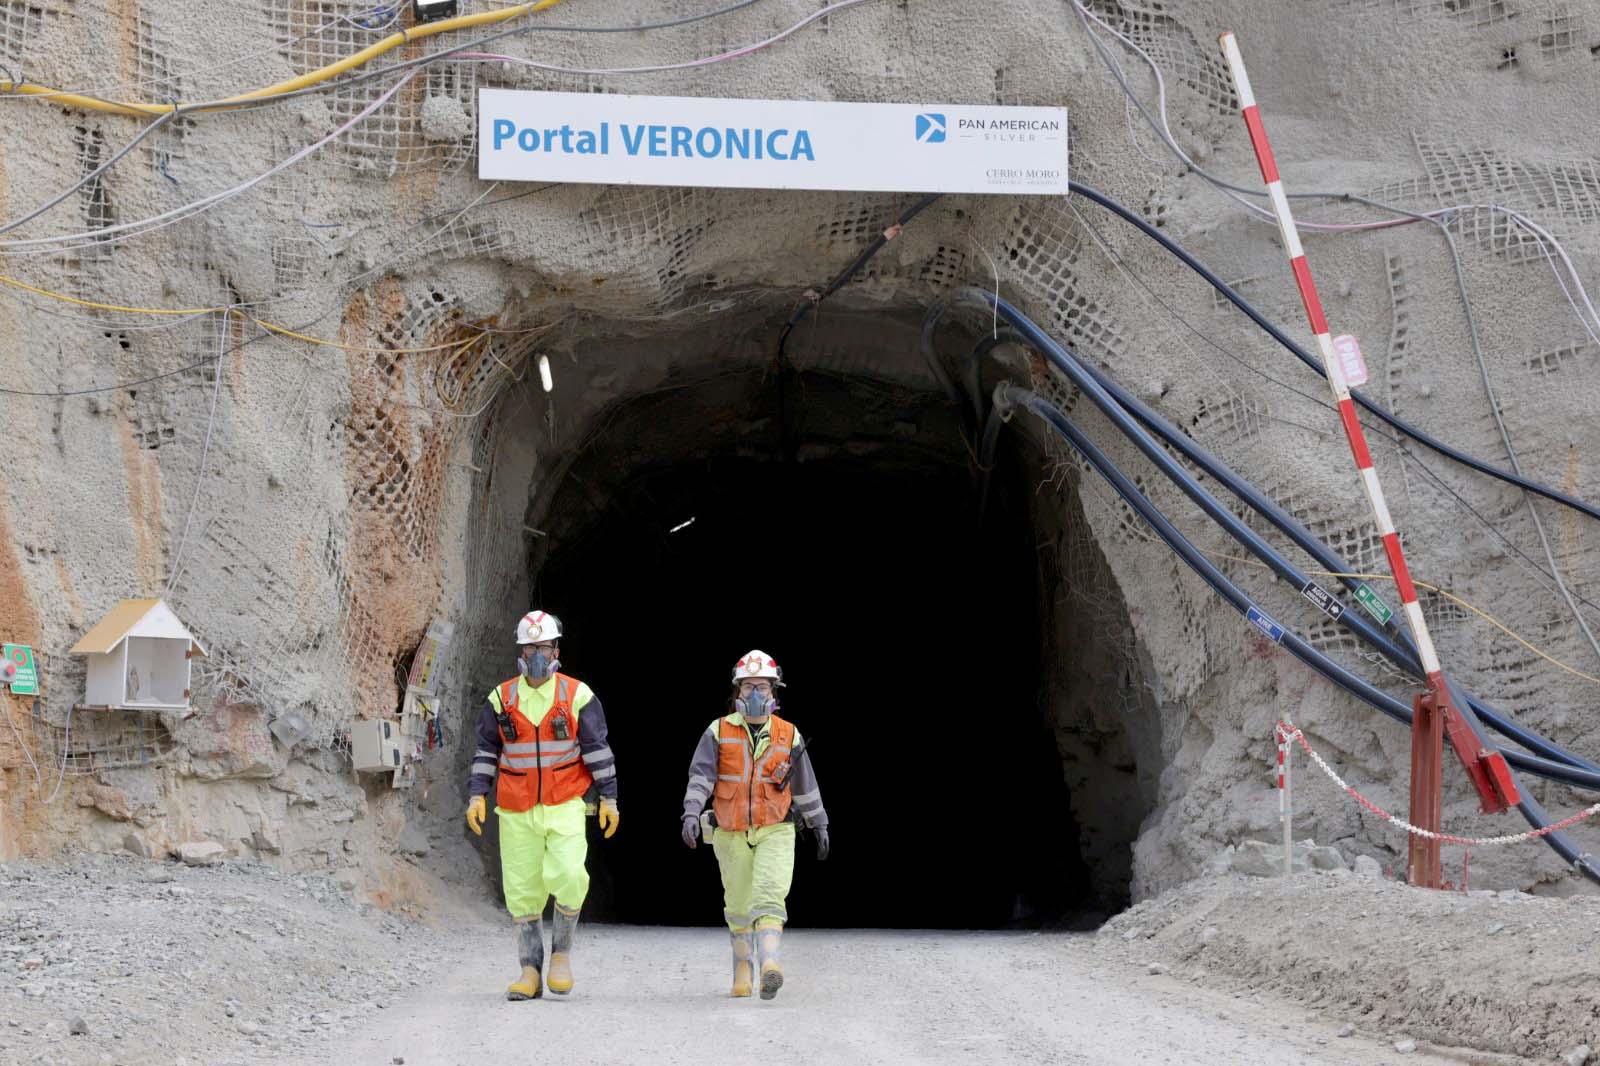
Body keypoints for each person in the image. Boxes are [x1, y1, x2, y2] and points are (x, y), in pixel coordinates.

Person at [465, 610, 619, 1001]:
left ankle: (561, 956)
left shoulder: (577, 695)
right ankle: (529, 970)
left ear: (556, 650)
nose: (537, 654)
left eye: (543, 647)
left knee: (570, 875)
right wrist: (477, 795)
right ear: (520, 652)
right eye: (530, 647)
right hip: (516, 808)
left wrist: (609, 797)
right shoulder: (500, 698)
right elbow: (486, 749)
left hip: (565, 802)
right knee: (522, 890)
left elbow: (597, 750)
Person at [681, 649, 828, 1000]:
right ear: (736, 692)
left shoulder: (788, 735)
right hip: (730, 831)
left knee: (770, 896)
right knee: (738, 903)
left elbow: (805, 785)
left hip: (776, 827)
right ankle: (743, 968)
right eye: (748, 687)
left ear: (775, 691)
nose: (756, 694)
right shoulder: (718, 731)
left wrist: (818, 822)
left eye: (762, 687)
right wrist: (690, 811)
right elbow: (701, 776)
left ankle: (770, 965)